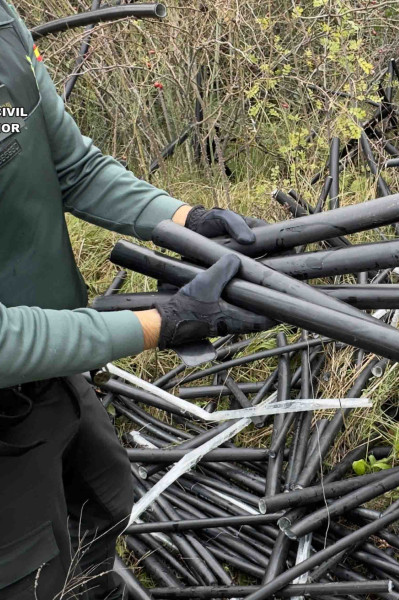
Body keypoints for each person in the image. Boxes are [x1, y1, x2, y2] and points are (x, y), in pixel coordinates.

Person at [0, 1, 273, 598]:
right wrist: (159, 323)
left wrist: (183, 220)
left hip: (53, 366)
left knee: (103, 498)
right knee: (29, 576)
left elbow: (71, 165)